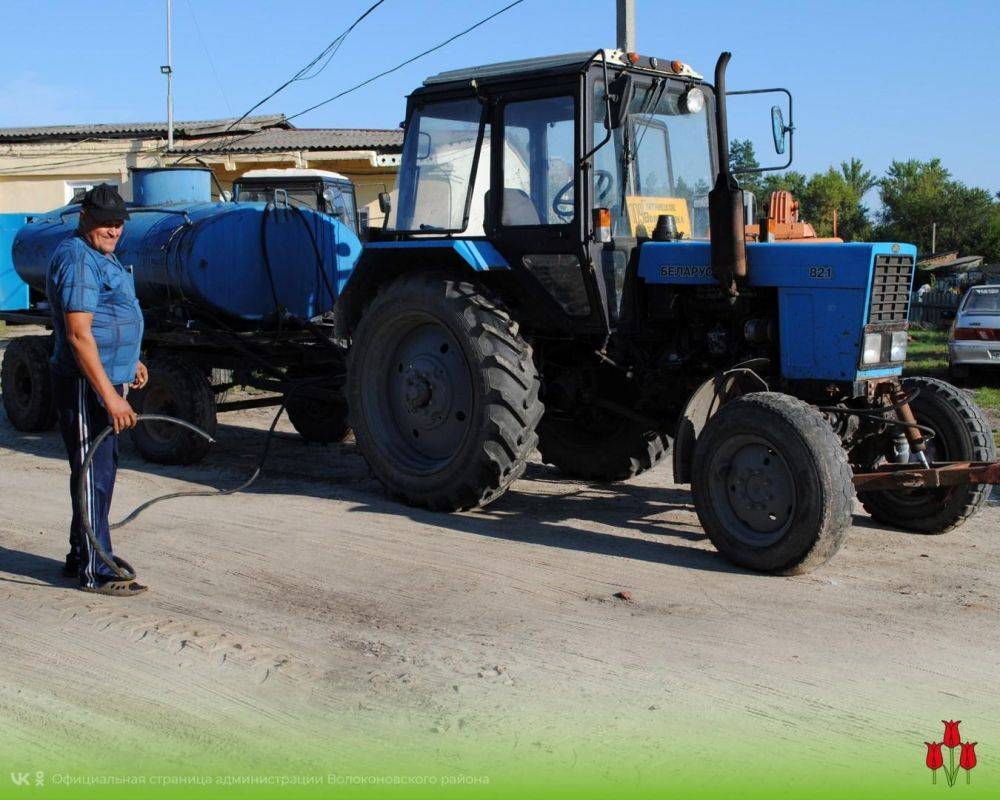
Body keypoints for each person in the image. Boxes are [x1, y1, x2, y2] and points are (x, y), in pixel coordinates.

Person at [47, 183, 149, 596]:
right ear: (83, 218)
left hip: (106, 376)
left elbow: (110, 316)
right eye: (105, 222)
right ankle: (96, 570)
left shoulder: (99, 255)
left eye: (118, 223)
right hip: (85, 385)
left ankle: (82, 553)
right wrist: (110, 395)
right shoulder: (77, 260)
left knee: (98, 472)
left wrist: (132, 360)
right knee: (93, 475)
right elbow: (77, 334)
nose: (113, 230)